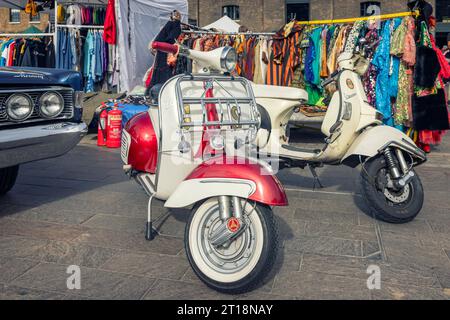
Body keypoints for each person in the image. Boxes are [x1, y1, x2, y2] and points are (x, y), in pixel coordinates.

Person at [147, 10, 182, 94]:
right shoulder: (175, 25)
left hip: (162, 53)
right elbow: (171, 38)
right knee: (165, 75)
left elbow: (157, 41)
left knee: (160, 75)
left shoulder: (169, 25)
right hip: (165, 54)